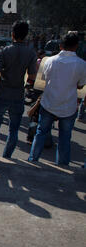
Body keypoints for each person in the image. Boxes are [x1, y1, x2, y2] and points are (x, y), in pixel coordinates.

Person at [29, 33, 86, 166]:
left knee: (41, 133)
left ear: (61, 46)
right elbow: (80, 85)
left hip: (48, 102)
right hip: (68, 106)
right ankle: (62, 165)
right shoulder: (82, 64)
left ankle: (33, 160)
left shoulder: (49, 61)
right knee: (64, 138)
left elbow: (43, 80)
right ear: (76, 46)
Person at [0, 21, 38, 158]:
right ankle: (7, 156)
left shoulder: (5, 51)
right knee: (14, 129)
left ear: (12, 34)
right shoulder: (31, 53)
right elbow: (32, 75)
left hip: (3, 92)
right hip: (18, 94)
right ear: (26, 35)